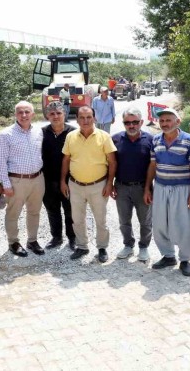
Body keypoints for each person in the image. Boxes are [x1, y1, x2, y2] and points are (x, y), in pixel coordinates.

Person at [143, 108, 190, 276]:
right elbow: (153, 165)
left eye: (168, 120)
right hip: (160, 187)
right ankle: (168, 256)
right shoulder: (156, 139)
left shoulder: (189, 140)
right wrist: (147, 188)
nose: (164, 123)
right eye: (162, 121)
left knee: (184, 224)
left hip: (182, 188)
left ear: (177, 122)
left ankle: (185, 259)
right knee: (160, 223)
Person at [61, 106, 117, 263]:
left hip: (98, 185)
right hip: (75, 185)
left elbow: (112, 162)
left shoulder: (104, 136)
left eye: (89, 117)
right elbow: (66, 160)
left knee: (101, 219)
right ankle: (82, 246)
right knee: (77, 218)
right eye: (82, 117)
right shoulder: (71, 136)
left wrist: (110, 183)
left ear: (94, 118)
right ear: (77, 119)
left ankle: (102, 247)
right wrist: (63, 181)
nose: (85, 120)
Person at [0, 101, 46, 257]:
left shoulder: (38, 131)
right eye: (20, 112)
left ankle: (32, 240)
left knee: (34, 212)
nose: (24, 115)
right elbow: (0, 161)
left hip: (37, 179)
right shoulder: (6, 135)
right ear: (15, 114)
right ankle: (13, 242)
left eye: (27, 112)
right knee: (13, 213)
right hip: (17, 181)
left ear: (32, 114)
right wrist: (5, 184)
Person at [112, 107, 153, 262]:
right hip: (121, 187)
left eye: (135, 122)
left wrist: (148, 188)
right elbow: (111, 164)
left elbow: (154, 166)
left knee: (145, 221)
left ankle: (144, 247)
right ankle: (128, 245)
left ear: (141, 122)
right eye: (127, 122)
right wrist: (111, 184)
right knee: (124, 220)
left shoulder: (151, 140)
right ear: (123, 123)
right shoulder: (115, 139)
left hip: (143, 187)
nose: (131, 125)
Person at [41, 101, 76, 250]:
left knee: (70, 210)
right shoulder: (42, 133)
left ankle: (72, 238)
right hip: (47, 180)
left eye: (59, 113)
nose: (55, 116)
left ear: (64, 114)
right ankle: (56, 237)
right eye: (52, 114)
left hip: (68, 180)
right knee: (52, 209)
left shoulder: (73, 133)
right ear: (47, 116)